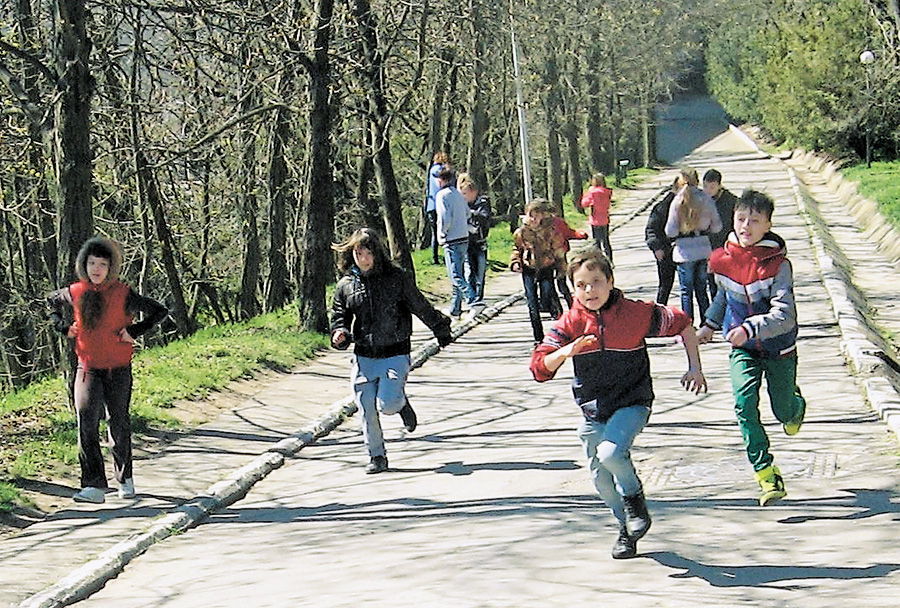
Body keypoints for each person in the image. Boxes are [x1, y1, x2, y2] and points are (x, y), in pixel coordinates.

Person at [530, 246, 706, 559]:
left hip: (632, 402)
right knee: (600, 479)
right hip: (593, 409)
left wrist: (695, 367)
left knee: (611, 453)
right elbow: (539, 368)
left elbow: (683, 323)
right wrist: (566, 351)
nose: (589, 290)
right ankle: (626, 527)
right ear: (572, 288)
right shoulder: (569, 323)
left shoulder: (636, 314)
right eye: (581, 285)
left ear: (610, 281)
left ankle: (636, 501)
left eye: (596, 281)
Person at [697, 190, 806, 507]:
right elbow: (723, 297)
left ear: (768, 224)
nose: (746, 226)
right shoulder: (723, 260)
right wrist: (709, 325)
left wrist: (750, 328)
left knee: (783, 411)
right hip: (742, 349)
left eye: (754, 221)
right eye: (741, 219)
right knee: (744, 404)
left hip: (778, 348)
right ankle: (766, 473)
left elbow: (784, 315)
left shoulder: (778, 265)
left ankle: (795, 407)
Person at [47, 236, 168, 504]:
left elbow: (158, 311)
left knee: (119, 422)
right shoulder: (76, 291)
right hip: (87, 368)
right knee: (86, 423)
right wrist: (63, 327)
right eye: (92, 263)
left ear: (110, 267)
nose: (97, 269)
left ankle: (125, 478)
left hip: (118, 369)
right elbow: (52, 302)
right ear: (84, 265)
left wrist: (134, 331)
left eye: (102, 264)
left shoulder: (123, 292)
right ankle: (93, 486)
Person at [330, 228, 453, 474]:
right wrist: (339, 334)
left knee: (387, 404)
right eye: (358, 252)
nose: (362, 258)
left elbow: (419, 305)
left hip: (395, 353)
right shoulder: (346, 285)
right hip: (364, 355)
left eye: (367, 252)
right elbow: (339, 316)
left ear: (377, 253)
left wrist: (440, 328)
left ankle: (401, 404)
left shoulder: (396, 278)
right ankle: (376, 456)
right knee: (366, 406)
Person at [665, 168, 722, 325]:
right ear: (697, 181)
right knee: (701, 289)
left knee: (686, 291)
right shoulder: (706, 199)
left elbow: (670, 231)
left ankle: (687, 323)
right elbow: (717, 226)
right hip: (703, 247)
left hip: (684, 250)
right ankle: (707, 321)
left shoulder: (677, 201)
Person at [510, 199, 564, 344]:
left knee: (546, 296)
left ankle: (549, 306)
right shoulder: (521, 232)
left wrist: (561, 268)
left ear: (542, 216)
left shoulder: (550, 231)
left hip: (546, 267)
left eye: (537, 216)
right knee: (532, 304)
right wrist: (516, 262)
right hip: (529, 269)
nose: (533, 219)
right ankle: (538, 338)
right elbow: (517, 249)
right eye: (530, 215)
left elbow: (558, 250)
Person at [435, 166, 475, 318]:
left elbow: (445, 217)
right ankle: (455, 307)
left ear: (440, 179)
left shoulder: (441, 196)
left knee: (455, 275)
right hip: (463, 236)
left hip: (451, 239)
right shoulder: (458, 194)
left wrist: (442, 234)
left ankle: (473, 299)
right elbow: (467, 213)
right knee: (458, 273)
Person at [702, 169, 739, 299]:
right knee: (712, 285)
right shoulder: (701, 201)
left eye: (712, 187)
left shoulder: (732, 201)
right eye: (705, 186)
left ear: (719, 185)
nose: (708, 190)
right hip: (708, 249)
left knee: (728, 285)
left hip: (726, 248)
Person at [458, 172, 491, 309]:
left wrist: (471, 213)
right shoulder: (460, 205)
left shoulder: (482, 203)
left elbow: (484, 216)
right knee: (469, 271)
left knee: (480, 271)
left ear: (474, 192)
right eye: (462, 194)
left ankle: (479, 296)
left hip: (479, 243)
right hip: (466, 242)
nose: (465, 197)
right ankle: (472, 299)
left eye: (466, 194)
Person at [645, 178, 679, 305]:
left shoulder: (697, 204)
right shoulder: (662, 207)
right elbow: (651, 229)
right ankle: (659, 314)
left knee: (694, 289)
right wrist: (656, 247)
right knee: (665, 287)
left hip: (688, 250)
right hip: (666, 250)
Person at [550, 214, 589, 309]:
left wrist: (580, 235)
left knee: (557, 283)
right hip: (553, 255)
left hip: (557, 255)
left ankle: (563, 307)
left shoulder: (557, 222)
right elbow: (569, 233)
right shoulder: (556, 222)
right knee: (557, 283)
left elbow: (568, 233)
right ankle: (567, 306)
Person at [580, 173, 614, 265]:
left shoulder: (593, 192)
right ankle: (610, 260)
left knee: (596, 241)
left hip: (595, 219)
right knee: (606, 241)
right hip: (605, 218)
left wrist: (588, 192)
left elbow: (584, 203)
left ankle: (599, 261)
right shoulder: (607, 192)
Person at [424, 152, 450, 265]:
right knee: (441, 230)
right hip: (438, 205)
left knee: (435, 231)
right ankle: (438, 257)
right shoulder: (438, 170)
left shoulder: (431, 170)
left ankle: (435, 257)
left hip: (431, 205)